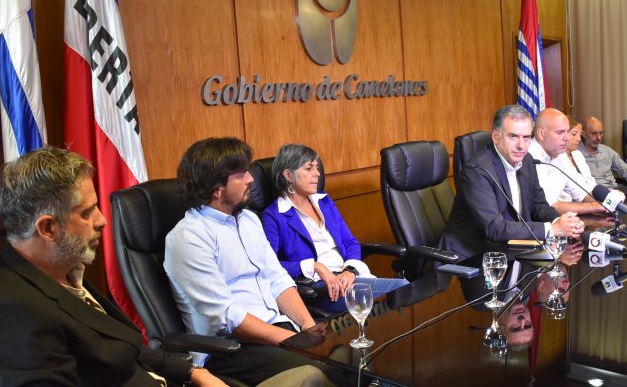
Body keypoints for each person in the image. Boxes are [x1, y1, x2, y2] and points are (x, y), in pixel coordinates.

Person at [0, 147, 225, 386]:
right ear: (48, 228)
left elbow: (123, 347)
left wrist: (193, 373)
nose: (102, 220)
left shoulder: (59, 268)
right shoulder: (10, 314)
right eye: (87, 212)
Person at [164, 137, 349, 386]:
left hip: (277, 330)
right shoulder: (188, 238)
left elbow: (277, 279)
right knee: (318, 373)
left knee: (352, 354)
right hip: (230, 348)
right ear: (216, 189)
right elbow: (228, 317)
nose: (251, 179)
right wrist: (291, 340)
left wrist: (308, 328)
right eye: (241, 175)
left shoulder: (249, 220)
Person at [262, 144, 409, 313]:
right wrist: (315, 267)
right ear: (288, 175)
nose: (317, 173)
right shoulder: (274, 215)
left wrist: (350, 270)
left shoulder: (323, 201)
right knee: (401, 289)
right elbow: (269, 266)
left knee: (402, 293)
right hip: (320, 288)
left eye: (316, 167)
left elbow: (350, 242)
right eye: (309, 168)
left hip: (349, 277)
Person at [439, 104, 585, 261]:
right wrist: (552, 229)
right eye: (513, 136)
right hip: (469, 258)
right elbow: (495, 228)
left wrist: (562, 222)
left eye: (526, 137)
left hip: (510, 251)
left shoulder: (527, 160)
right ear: (496, 137)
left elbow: (539, 204)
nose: (521, 145)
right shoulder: (477, 170)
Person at [529, 108, 608, 215]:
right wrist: (594, 206)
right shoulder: (529, 157)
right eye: (560, 132)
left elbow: (581, 191)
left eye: (567, 132)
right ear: (541, 134)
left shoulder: (560, 155)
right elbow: (548, 205)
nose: (566, 137)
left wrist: (609, 200)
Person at [580, 116, 627, 188]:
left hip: (614, 191)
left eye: (601, 133)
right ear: (583, 134)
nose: (599, 138)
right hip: (593, 194)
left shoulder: (607, 151)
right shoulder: (575, 154)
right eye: (594, 133)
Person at [560, 115, 596, 201]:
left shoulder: (577, 154)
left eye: (580, 135)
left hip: (589, 197)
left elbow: (590, 181)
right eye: (574, 134)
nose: (579, 139)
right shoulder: (557, 158)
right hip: (570, 204)